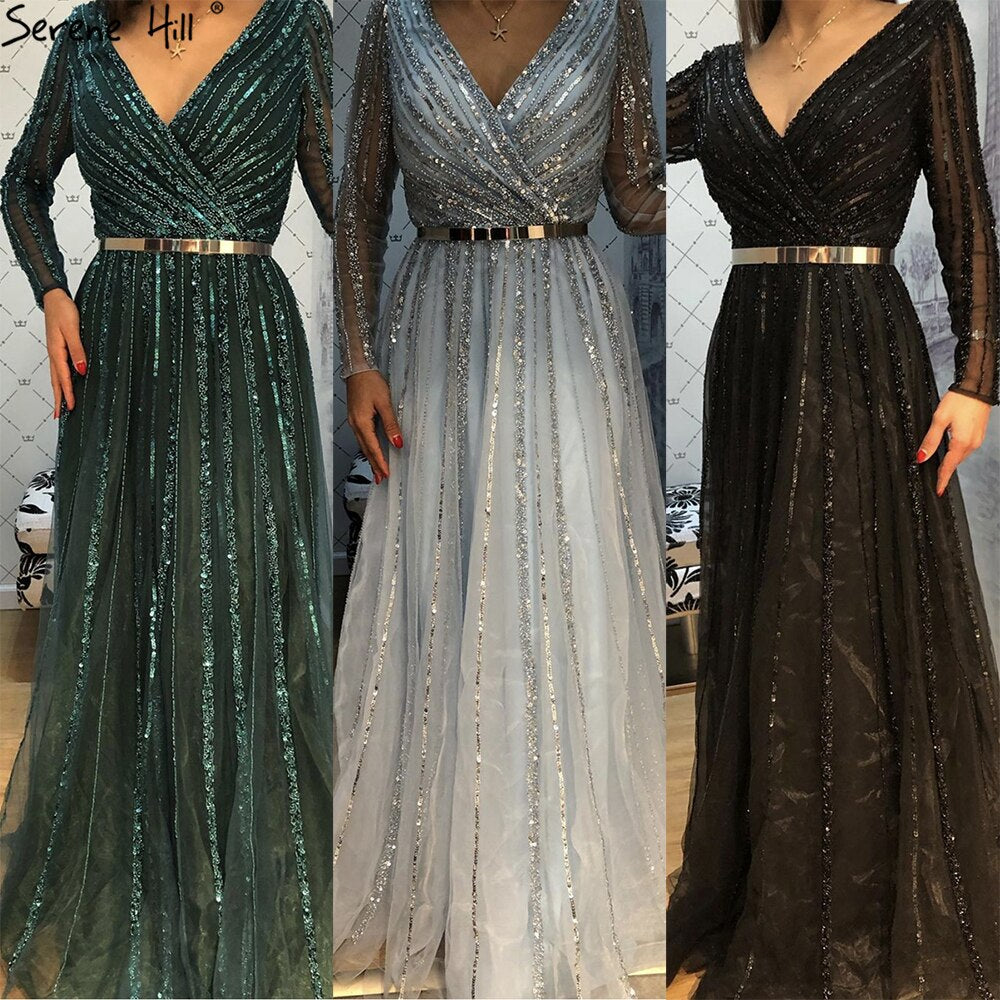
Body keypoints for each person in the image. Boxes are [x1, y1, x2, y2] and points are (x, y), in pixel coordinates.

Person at [331, 0, 667, 996]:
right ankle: (449, 875)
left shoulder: (608, 15)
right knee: (440, 592)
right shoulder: (395, 20)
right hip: (435, 324)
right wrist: (357, 359)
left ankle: (550, 879)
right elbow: (359, 202)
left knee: (564, 589)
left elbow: (635, 194)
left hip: (566, 321)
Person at [0, 2, 336, 996]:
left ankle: (237, 878)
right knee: (125, 597)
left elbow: (351, 199)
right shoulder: (85, 37)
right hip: (119, 347)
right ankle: (133, 859)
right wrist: (53, 292)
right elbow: (20, 183)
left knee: (230, 600)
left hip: (243, 339)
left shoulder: (295, 24)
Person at [665, 0, 999, 997]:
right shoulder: (720, 73)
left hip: (863, 352)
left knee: (856, 607)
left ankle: (864, 884)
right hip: (754, 358)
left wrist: (977, 376)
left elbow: (967, 214)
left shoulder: (921, 30)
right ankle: (777, 865)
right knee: (771, 613)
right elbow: (609, 138)